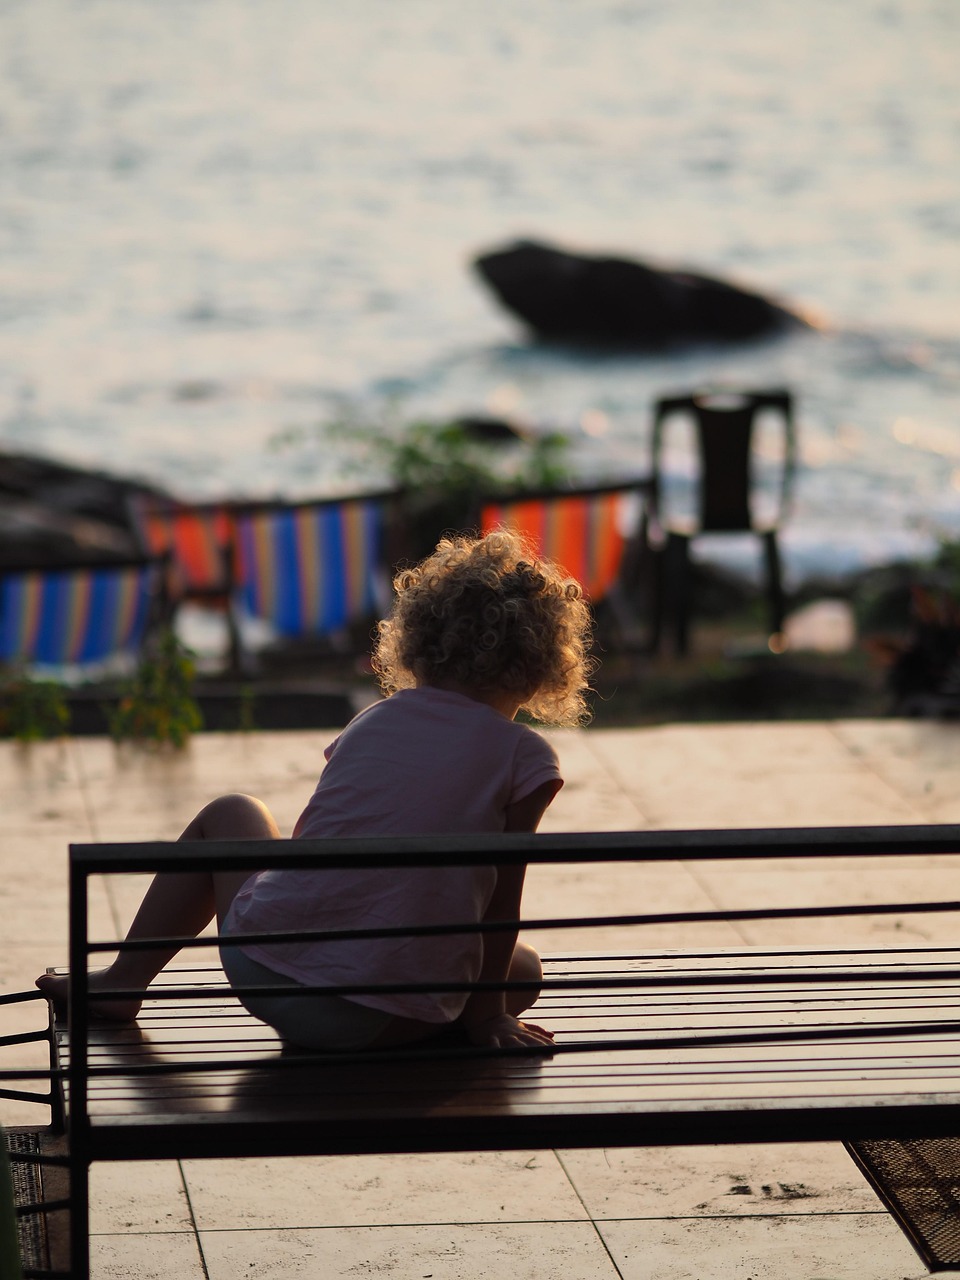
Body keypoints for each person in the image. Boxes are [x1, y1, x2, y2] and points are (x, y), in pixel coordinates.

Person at [37, 530, 595, 1053]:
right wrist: (490, 1018)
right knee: (524, 969)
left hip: (267, 974)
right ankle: (436, 1025)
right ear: (541, 667)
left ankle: (124, 980)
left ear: (420, 644)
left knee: (232, 813)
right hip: (382, 1020)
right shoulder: (525, 757)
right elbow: (501, 902)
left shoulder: (372, 721)